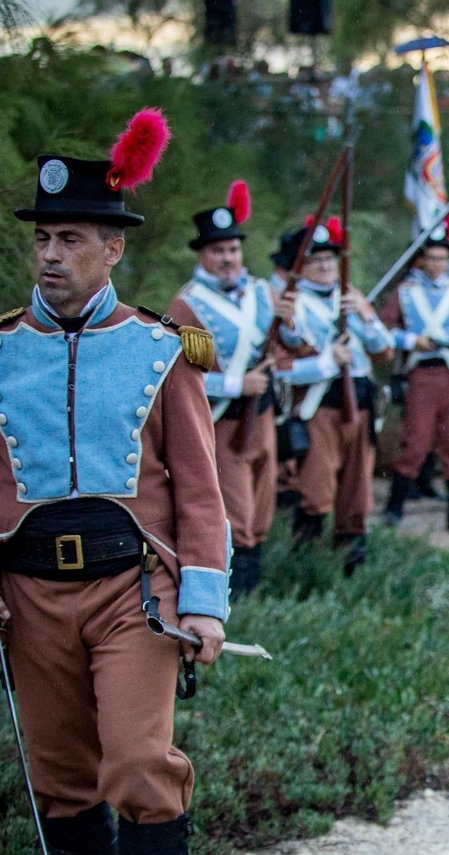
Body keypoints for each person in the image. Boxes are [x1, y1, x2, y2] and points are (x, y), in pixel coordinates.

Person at [0, 116, 228, 855]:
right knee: (61, 779)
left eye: (71, 238)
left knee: (140, 761)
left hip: (133, 593)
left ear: (112, 248)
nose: (51, 255)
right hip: (26, 597)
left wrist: (206, 603)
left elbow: (199, 493)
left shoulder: (162, 354)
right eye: (42, 237)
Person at [166, 181, 277, 599]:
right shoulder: (186, 305)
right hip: (222, 420)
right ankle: (240, 592)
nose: (228, 258)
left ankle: (258, 581)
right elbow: (178, 381)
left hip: (262, 413)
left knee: (263, 499)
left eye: (233, 249)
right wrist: (236, 383)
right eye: (218, 251)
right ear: (202, 254)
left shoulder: (263, 292)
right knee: (237, 508)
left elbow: (284, 347)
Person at [274, 218, 392, 568]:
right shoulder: (291, 303)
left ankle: (351, 564)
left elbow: (383, 348)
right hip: (321, 406)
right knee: (315, 491)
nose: (325, 266)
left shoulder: (351, 297)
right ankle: (304, 566)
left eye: (330, 258)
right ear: (301, 266)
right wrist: (328, 360)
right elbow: (285, 364)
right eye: (315, 260)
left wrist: (364, 317)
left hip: (362, 404)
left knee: (357, 492)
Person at [379, 215, 449, 533]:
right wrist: (412, 340)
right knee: (416, 444)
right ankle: (394, 508)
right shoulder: (405, 292)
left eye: (443, 258)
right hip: (421, 375)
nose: (438, 264)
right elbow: (383, 329)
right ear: (422, 259)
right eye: (432, 258)